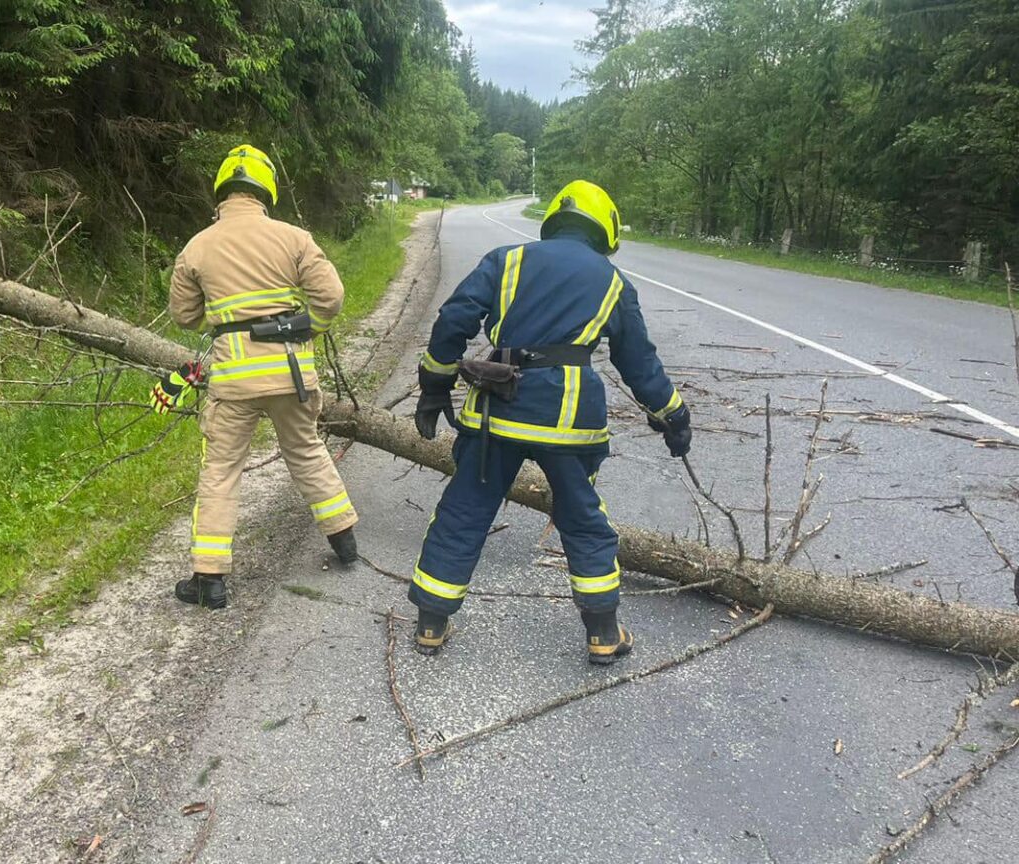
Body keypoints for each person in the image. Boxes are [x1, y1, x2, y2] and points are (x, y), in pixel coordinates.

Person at [409, 180, 691, 662]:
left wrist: (434, 384)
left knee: (464, 510)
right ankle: (603, 632)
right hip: (570, 419)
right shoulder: (613, 281)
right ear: (604, 230)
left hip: (497, 410)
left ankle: (431, 623)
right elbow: (638, 362)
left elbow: (454, 319)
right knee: (582, 519)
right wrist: (672, 414)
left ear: (554, 221)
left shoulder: (506, 260)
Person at [166, 144, 358, 609]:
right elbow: (331, 297)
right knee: (307, 451)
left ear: (222, 191)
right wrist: (310, 325)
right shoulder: (294, 237)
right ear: (265, 189)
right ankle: (345, 541)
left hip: (233, 382)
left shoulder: (196, 246)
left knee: (221, 472)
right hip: (291, 374)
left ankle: (209, 580)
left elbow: (184, 317)